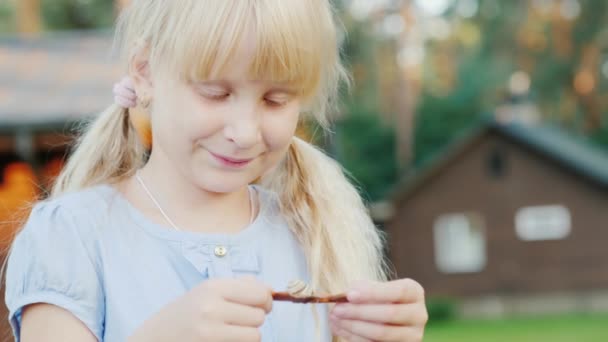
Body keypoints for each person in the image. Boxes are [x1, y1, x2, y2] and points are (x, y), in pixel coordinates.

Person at [4, 1, 428, 341]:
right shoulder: (69, 236)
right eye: (216, 93)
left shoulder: (315, 233)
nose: (243, 132)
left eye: (275, 100)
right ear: (144, 72)